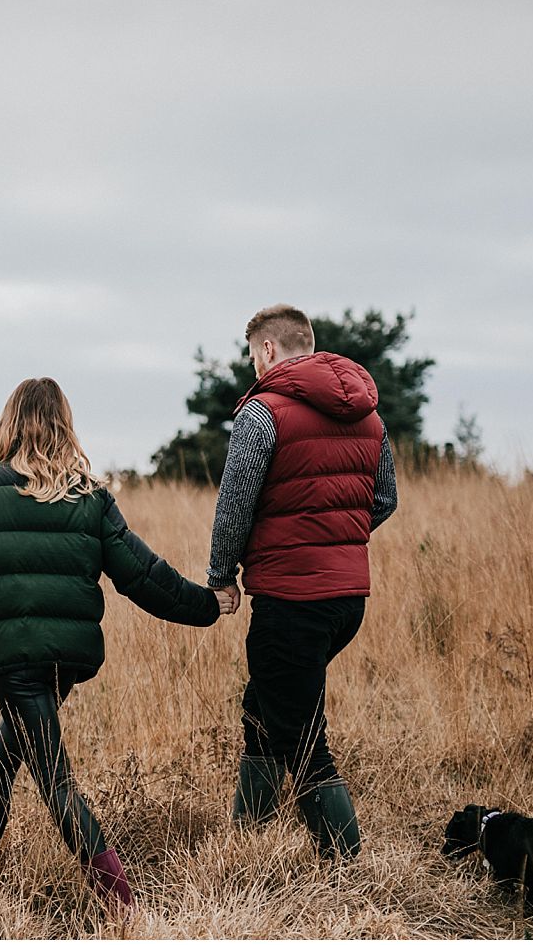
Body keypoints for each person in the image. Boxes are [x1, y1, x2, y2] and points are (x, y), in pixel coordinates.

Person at [0, 377, 228, 913]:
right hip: (67, 658)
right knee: (8, 753)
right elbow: (143, 575)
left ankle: (119, 902)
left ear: (9, 424)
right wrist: (206, 604)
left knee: (52, 776)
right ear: (63, 426)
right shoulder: (91, 497)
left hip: (14, 656)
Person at [207, 304, 397, 860]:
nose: (253, 366)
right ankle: (250, 838)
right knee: (264, 706)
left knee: (304, 737)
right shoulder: (369, 416)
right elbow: (383, 499)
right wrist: (335, 538)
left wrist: (222, 575)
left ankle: (346, 866)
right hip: (346, 602)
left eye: (251, 356)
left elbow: (235, 504)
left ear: (267, 350)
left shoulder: (264, 411)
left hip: (291, 598)